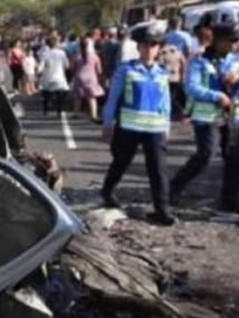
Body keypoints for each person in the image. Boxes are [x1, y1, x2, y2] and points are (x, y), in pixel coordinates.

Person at [169, 22, 239, 213]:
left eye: (237, 41)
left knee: (235, 158)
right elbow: (191, 87)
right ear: (219, 40)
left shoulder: (235, 59)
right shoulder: (199, 60)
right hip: (207, 117)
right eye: (231, 41)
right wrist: (216, 96)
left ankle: (230, 200)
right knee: (206, 154)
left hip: (231, 115)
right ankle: (173, 188)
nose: (235, 45)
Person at [100, 23, 174, 225]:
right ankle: (107, 191)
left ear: (158, 48)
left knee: (158, 169)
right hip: (129, 127)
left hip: (155, 128)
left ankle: (162, 210)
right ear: (139, 47)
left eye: (153, 45)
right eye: (145, 45)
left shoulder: (162, 72)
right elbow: (113, 98)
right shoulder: (127, 69)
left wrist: (167, 125)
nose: (149, 49)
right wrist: (108, 123)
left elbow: (165, 102)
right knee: (121, 162)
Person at [72, 36, 104, 122]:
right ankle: (93, 115)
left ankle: (76, 113)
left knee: (77, 97)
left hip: (79, 77)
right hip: (91, 78)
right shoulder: (94, 56)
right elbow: (99, 70)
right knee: (92, 97)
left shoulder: (77, 56)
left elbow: (73, 68)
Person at [39, 35, 70, 116]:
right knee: (62, 93)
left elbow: (40, 67)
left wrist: (39, 71)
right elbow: (67, 65)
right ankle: (59, 110)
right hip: (59, 77)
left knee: (46, 93)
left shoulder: (45, 54)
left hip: (48, 77)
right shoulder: (62, 53)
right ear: (56, 43)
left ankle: (46, 109)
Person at [159, 38, 186, 121]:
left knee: (170, 98)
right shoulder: (177, 50)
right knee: (176, 96)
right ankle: (179, 114)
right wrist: (183, 75)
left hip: (167, 78)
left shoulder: (162, 51)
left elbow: (160, 64)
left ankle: (178, 113)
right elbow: (184, 62)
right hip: (177, 77)